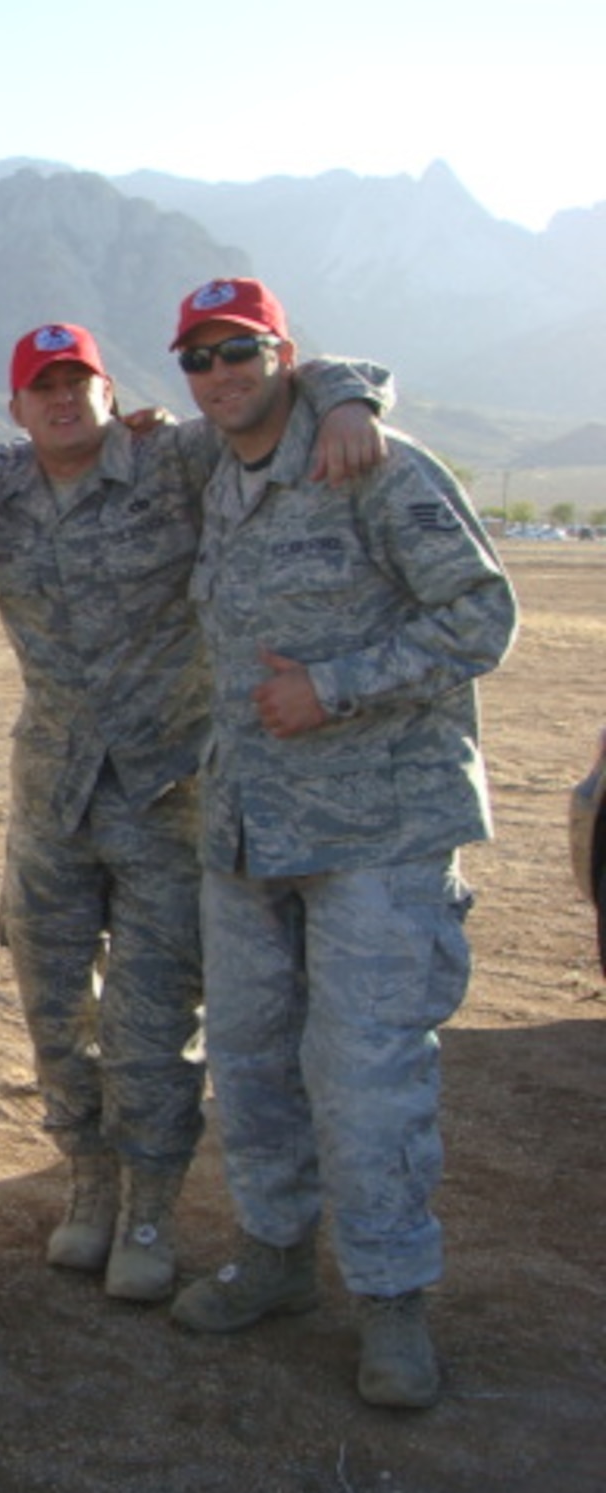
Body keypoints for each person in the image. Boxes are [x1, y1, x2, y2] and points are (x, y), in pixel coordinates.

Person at [0, 322, 392, 1302]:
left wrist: (354, 395)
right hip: (49, 804)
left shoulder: (173, 460)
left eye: (79, 382)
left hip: (166, 797)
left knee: (152, 1023)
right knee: (55, 1016)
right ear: (15, 407)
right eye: (41, 387)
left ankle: (149, 1205)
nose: (62, 399)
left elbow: (276, 391)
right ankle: (89, 1186)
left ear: (111, 392)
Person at [160, 277, 517, 1408]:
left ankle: (389, 1303)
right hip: (248, 825)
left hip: (379, 823)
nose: (219, 374)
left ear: (282, 351)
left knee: (365, 1079)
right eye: (198, 357)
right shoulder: (216, 471)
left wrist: (336, 686)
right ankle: (273, 1258)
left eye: (239, 351)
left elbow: (479, 616)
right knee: (253, 1065)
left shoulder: (372, 462)